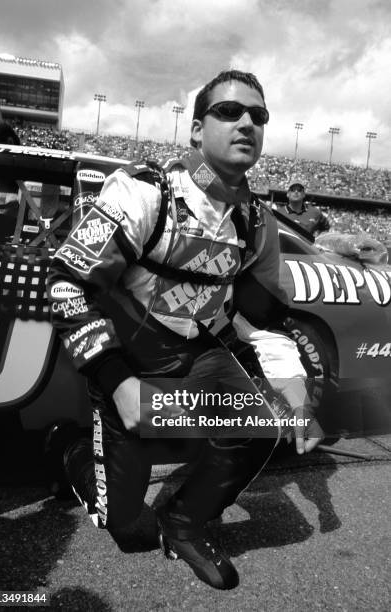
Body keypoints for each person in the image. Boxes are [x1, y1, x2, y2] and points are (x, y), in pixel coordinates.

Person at [45, 69, 323, 590]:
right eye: (229, 112)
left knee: (262, 422)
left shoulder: (257, 221)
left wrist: (296, 391)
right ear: (196, 129)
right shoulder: (143, 191)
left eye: (258, 116)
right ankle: (68, 449)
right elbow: (65, 281)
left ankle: (184, 521)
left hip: (202, 354)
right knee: (125, 523)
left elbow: (267, 318)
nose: (247, 123)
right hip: (134, 365)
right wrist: (118, 381)